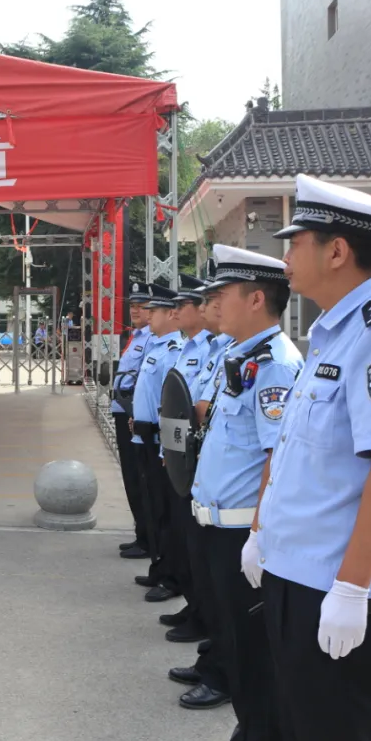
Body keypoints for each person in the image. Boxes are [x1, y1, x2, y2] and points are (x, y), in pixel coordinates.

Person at [246, 175, 371, 741]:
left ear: (337, 251)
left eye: (295, 243)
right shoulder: (328, 335)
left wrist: (351, 590)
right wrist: (262, 534)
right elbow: (299, 455)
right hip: (294, 573)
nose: (284, 257)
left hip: (335, 584)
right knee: (309, 738)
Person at [185, 245, 301, 741]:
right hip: (219, 527)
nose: (214, 304)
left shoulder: (274, 365)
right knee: (240, 650)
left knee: (257, 660)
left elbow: (277, 459)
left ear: (256, 299)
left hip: (241, 536)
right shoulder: (243, 357)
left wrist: (259, 534)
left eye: (222, 294)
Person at [161, 276, 216, 648]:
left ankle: (203, 618)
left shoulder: (224, 350)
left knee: (208, 562)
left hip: (207, 468)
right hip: (185, 456)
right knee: (187, 542)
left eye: (186, 305)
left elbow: (201, 409)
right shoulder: (190, 347)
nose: (177, 311)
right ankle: (196, 608)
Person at [129, 283, 185, 602]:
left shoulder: (174, 351)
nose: (148, 316)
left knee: (165, 510)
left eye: (154, 311)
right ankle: (159, 567)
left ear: (171, 314)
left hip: (158, 438)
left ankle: (171, 575)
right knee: (152, 506)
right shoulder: (156, 346)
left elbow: (171, 401)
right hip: (144, 434)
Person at [111, 281, 154, 558]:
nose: (135, 310)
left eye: (141, 307)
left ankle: (147, 538)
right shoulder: (137, 337)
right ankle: (141, 531)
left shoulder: (152, 338)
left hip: (133, 416)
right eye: (132, 306)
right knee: (130, 475)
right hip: (122, 412)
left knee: (141, 477)